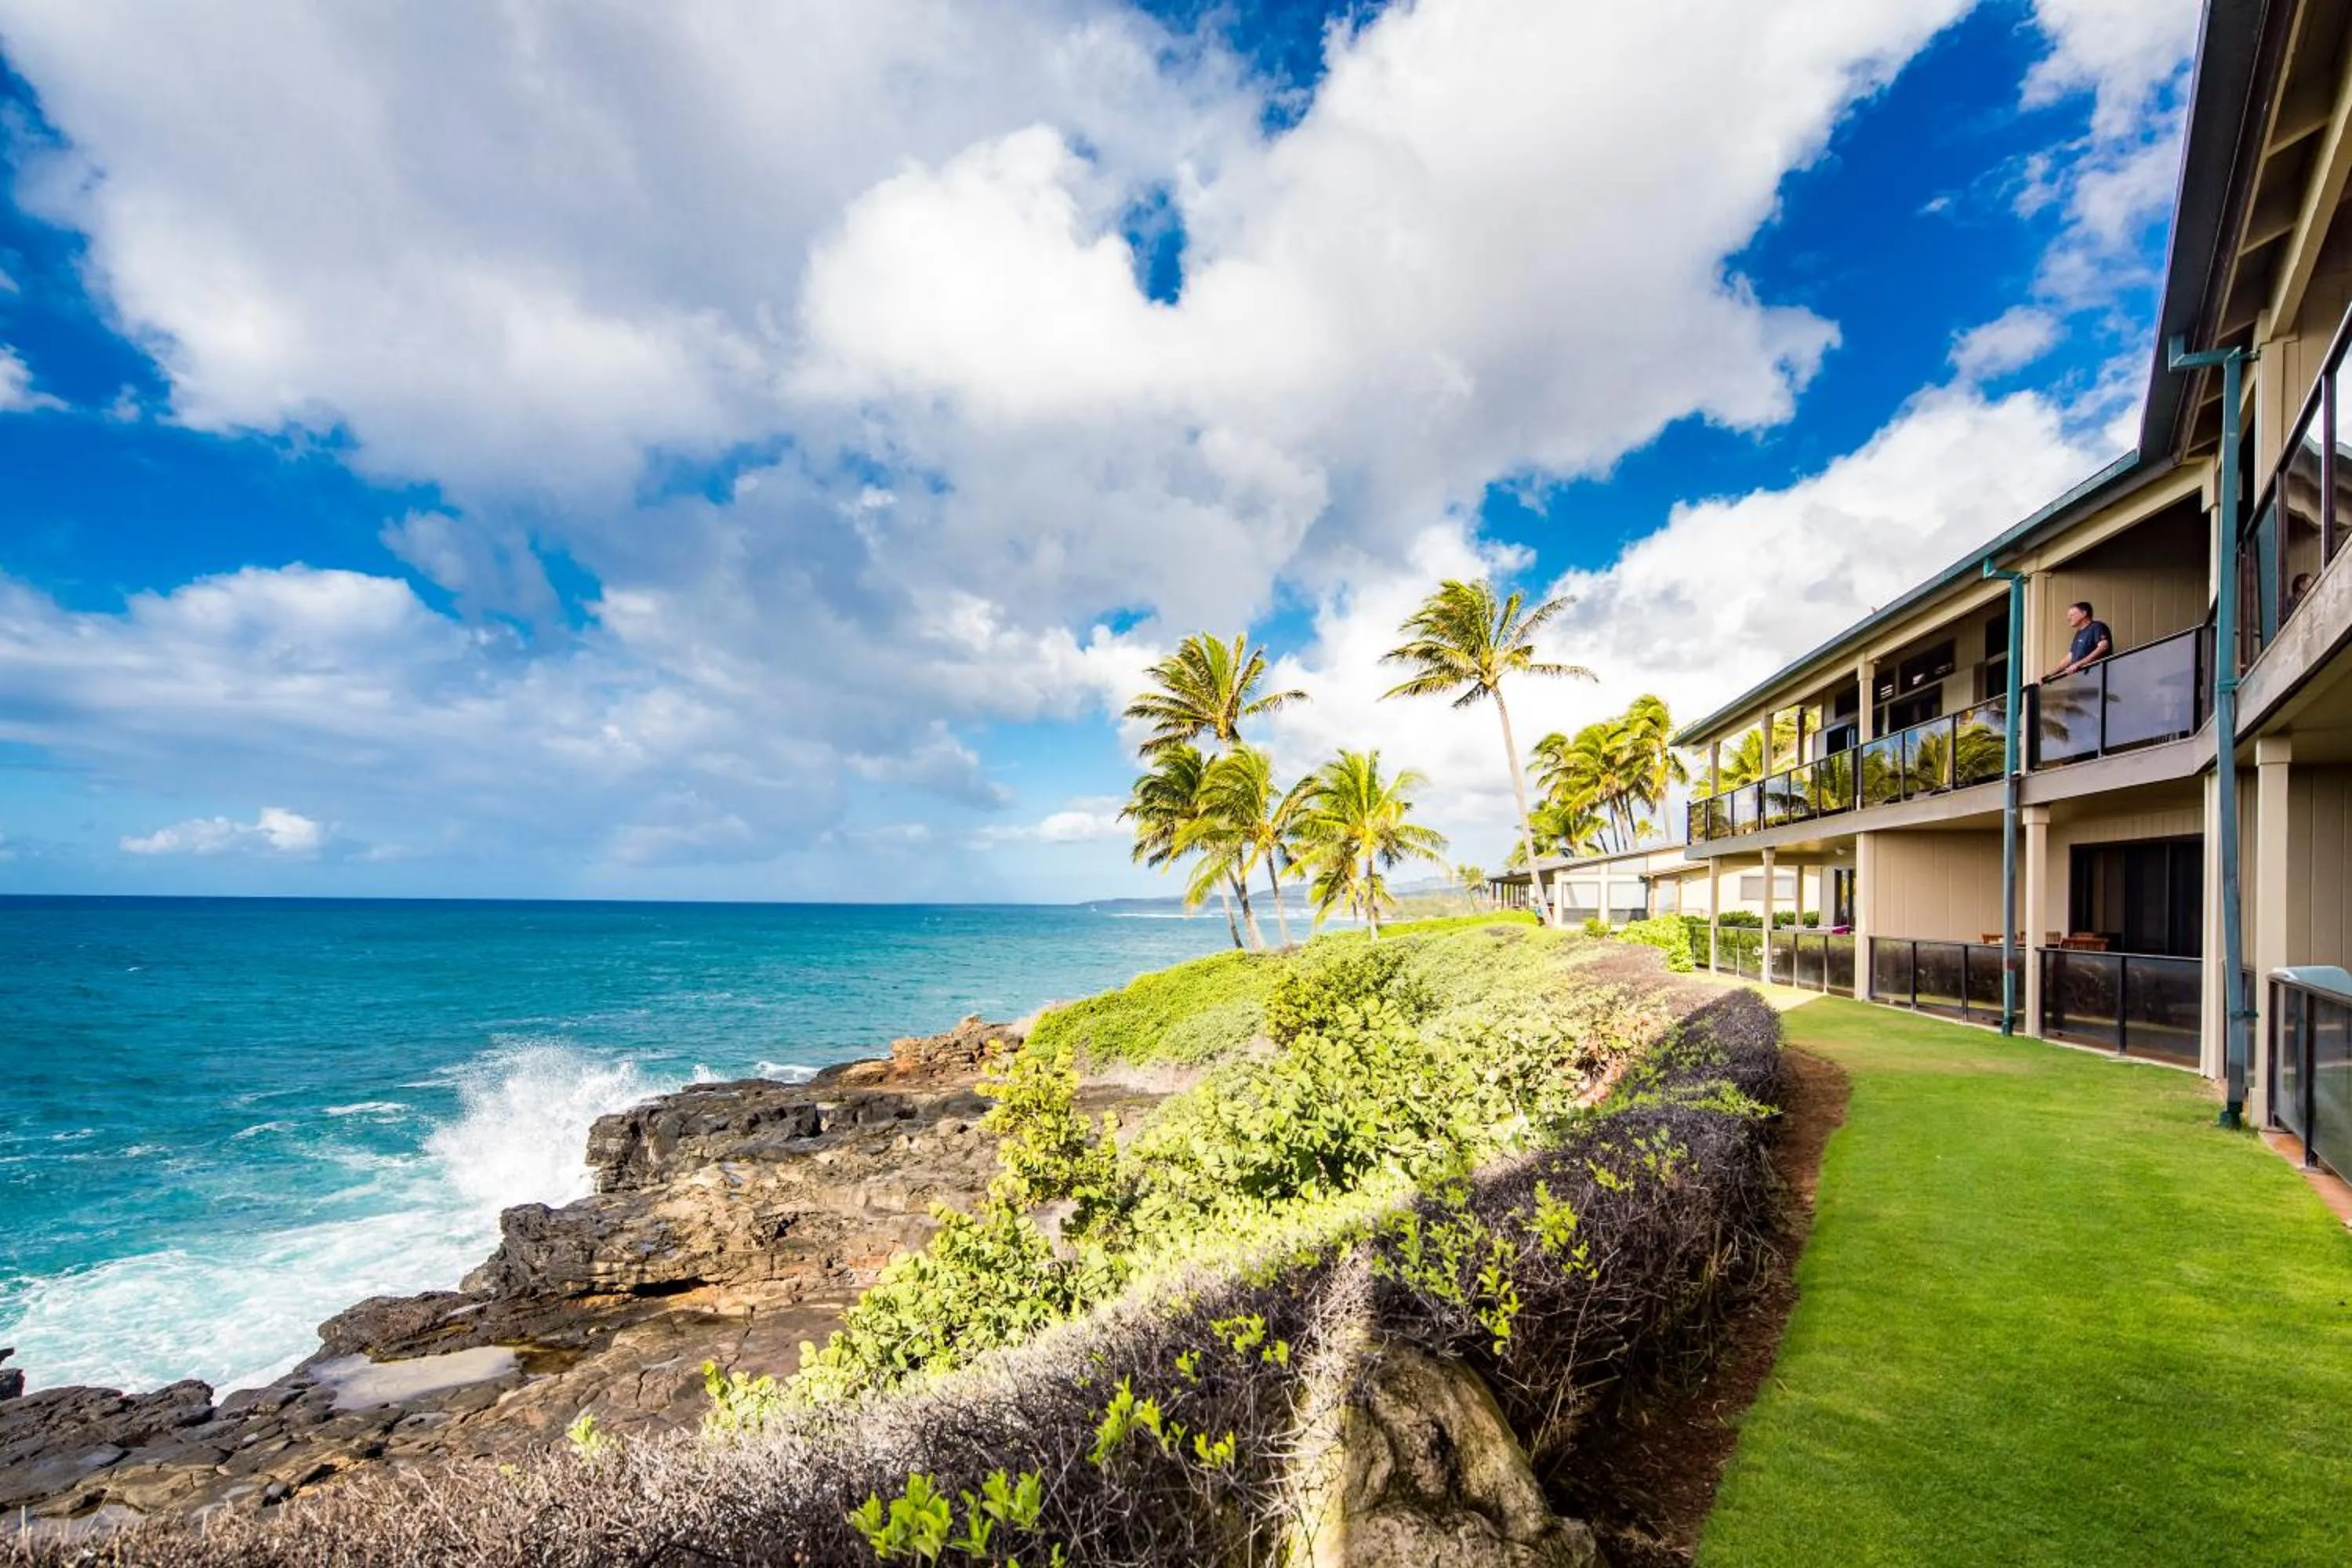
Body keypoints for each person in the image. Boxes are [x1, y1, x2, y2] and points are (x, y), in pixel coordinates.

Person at [2043, 601, 2111, 684]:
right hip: (2080, 681)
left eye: (2071, 615)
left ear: (2084, 613)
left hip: (2096, 679)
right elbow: (2070, 658)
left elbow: (2103, 646)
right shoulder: (2079, 633)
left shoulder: (2097, 626)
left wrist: (2078, 664)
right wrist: (2049, 675)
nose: (2068, 618)